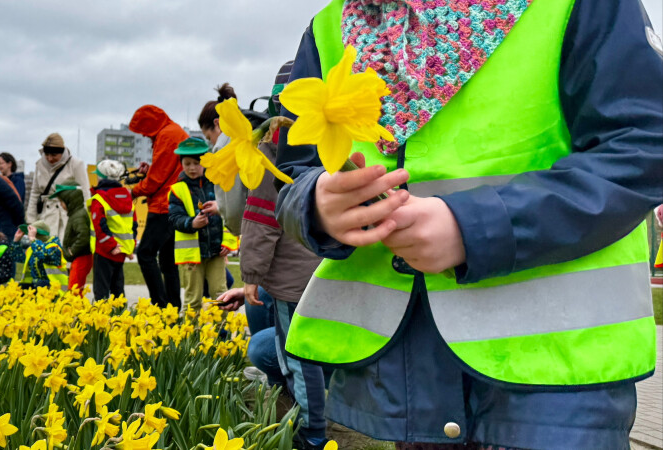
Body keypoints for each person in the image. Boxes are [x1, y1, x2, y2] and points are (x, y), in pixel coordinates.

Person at [275, 1, 662, 448]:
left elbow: (644, 146)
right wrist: (318, 205)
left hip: (557, 378)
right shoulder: (330, 25)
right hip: (400, 378)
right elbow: (295, 175)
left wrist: (475, 227)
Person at [215, 66, 329, 446]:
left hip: (290, 284)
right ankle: (311, 416)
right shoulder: (324, 143)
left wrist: (251, 274)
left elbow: (260, 219)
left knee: (296, 355)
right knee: (308, 351)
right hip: (325, 275)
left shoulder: (273, 150)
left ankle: (310, 431)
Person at [168, 138, 238, 315]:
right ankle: (190, 338)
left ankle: (222, 337)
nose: (192, 168)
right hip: (192, 255)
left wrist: (229, 244)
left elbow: (229, 213)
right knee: (193, 299)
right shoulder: (177, 189)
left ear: (205, 162)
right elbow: (174, 218)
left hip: (216, 252)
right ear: (181, 164)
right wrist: (192, 223)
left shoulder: (218, 184)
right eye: (187, 163)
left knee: (221, 296)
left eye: (196, 163)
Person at [128, 105, 188, 308]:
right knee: (167, 261)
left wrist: (135, 190)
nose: (144, 135)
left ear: (150, 124)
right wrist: (149, 171)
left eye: (144, 130)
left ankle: (160, 305)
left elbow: (158, 178)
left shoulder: (167, 135)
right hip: (174, 202)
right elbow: (166, 169)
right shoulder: (173, 131)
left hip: (163, 205)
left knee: (145, 254)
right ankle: (172, 306)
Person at [198, 83, 248, 235]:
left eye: (209, 137)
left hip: (252, 225)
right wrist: (220, 206)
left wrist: (233, 227)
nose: (211, 143)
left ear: (217, 124)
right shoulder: (244, 131)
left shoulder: (223, 146)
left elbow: (233, 202)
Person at [25, 133, 91, 239]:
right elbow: (35, 192)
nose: (50, 158)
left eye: (54, 155)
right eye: (47, 155)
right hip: (45, 216)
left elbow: (84, 192)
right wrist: (31, 220)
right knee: (43, 251)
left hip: (67, 217)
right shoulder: (39, 164)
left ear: (62, 152)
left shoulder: (76, 164)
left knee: (64, 251)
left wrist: (85, 220)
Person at [89, 160, 137, 301]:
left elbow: (99, 225)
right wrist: (129, 248)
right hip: (122, 252)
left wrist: (111, 245)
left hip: (104, 251)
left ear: (100, 177)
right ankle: (121, 317)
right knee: (118, 290)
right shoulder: (127, 196)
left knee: (101, 291)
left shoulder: (99, 198)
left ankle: (101, 319)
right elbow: (133, 224)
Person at [47, 180, 93, 291]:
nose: (61, 205)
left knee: (74, 288)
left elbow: (83, 236)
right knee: (77, 287)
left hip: (81, 257)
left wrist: (72, 251)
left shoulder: (78, 216)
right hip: (80, 257)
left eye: (62, 202)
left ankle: (75, 307)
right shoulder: (76, 214)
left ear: (70, 200)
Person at [8, 220, 67, 290]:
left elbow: (43, 255)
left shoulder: (55, 248)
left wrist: (33, 239)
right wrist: (16, 241)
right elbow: (17, 258)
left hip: (56, 290)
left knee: (41, 284)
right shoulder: (33, 248)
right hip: (37, 288)